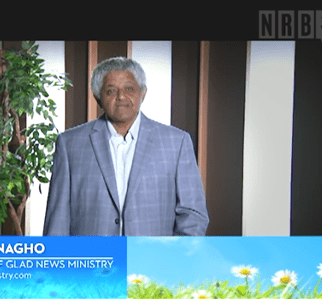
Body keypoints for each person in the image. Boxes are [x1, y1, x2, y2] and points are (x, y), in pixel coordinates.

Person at [43, 57, 209, 236]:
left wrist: (170, 260)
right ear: (98, 97)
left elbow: (193, 215)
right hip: (93, 260)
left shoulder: (176, 142)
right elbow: (58, 219)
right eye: (111, 90)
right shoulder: (70, 144)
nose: (121, 96)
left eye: (129, 89)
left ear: (142, 93)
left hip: (152, 259)